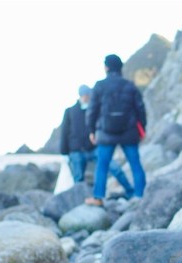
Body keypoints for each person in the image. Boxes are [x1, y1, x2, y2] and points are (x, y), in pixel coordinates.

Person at [85, 54, 146, 206]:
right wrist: (142, 129)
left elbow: (92, 110)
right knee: (135, 164)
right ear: (120, 68)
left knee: (102, 165)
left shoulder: (99, 86)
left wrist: (92, 130)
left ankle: (98, 197)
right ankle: (140, 196)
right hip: (129, 132)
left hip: (106, 133)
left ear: (106, 67)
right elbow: (140, 109)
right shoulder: (130, 85)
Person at [60, 84, 134, 198]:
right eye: (86, 96)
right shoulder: (70, 111)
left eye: (89, 96)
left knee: (115, 168)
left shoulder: (95, 110)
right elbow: (64, 133)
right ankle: (80, 201)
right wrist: (64, 153)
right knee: (78, 178)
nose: (88, 98)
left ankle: (130, 192)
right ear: (81, 96)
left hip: (94, 148)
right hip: (77, 151)